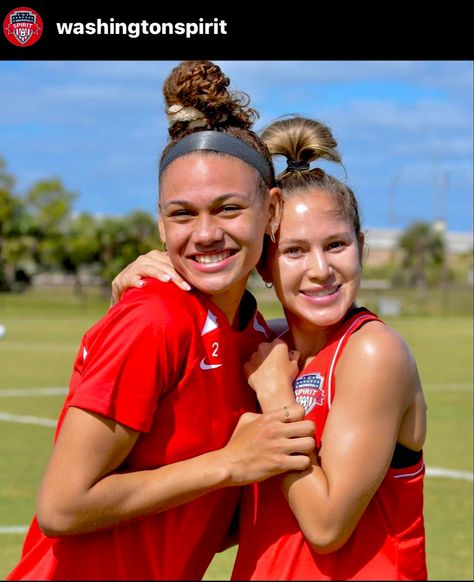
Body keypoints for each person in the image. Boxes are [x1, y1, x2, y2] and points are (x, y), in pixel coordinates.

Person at [6, 62, 316, 581]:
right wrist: (229, 464)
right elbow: (62, 507)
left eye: (228, 208)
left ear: (273, 210)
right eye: (182, 214)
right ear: (159, 220)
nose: (205, 234)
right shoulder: (154, 319)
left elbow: (200, 521)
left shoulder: (256, 337)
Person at [113, 116, 428, 580]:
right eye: (295, 251)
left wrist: (277, 397)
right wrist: (134, 291)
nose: (320, 269)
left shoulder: (372, 353)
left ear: (361, 247)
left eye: (337, 245)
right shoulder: (265, 347)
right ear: (264, 265)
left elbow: (326, 525)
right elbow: (230, 520)